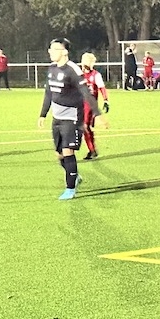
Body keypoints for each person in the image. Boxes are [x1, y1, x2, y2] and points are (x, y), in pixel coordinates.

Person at [38, 38, 107, 200]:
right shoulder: (52, 68)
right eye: (50, 49)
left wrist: (97, 114)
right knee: (59, 155)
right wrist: (43, 114)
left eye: (54, 49)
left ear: (64, 52)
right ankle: (74, 175)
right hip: (57, 118)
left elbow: (86, 93)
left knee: (68, 151)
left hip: (72, 117)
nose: (50, 52)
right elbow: (49, 93)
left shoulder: (73, 70)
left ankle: (70, 188)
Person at [78, 52, 110, 160]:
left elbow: (101, 88)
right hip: (79, 103)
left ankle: (92, 150)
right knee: (82, 127)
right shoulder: (79, 74)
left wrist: (105, 100)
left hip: (90, 104)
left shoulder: (96, 75)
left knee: (85, 126)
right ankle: (91, 149)